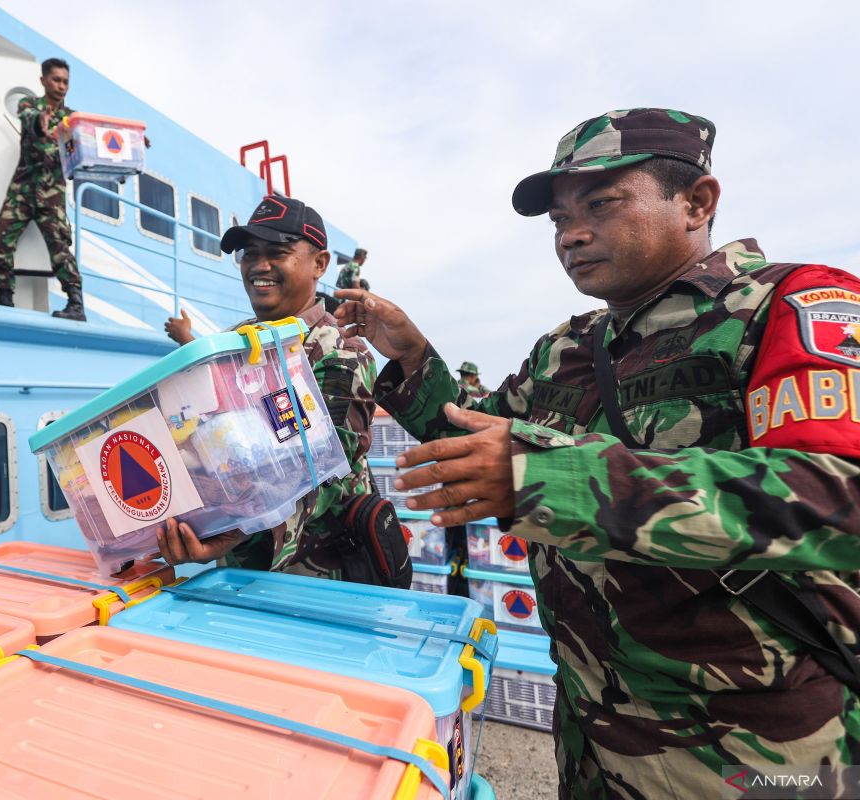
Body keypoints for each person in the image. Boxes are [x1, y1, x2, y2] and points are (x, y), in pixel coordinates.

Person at [335, 108, 860, 797]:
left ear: (696, 202)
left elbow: (838, 496)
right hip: (594, 725)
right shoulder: (567, 347)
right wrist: (409, 354)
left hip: (755, 743)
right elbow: (482, 442)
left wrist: (550, 476)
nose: (572, 234)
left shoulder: (789, 305)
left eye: (602, 205)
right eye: (558, 220)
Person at [159, 196, 377, 579]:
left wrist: (231, 528)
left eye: (278, 252)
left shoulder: (341, 352)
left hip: (324, 580)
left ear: (320, 264)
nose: (259, 266)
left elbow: (329, 472)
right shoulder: (226, 349)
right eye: (249, 253)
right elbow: (195, 441)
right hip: (237, 577)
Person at [0, 58, 84, 320]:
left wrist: (132, 140)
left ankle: (75, 303)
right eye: (56, 80)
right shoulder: (29, 105)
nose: (62, 86)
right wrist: (40, 123)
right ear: (43, 81)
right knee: (0, 243)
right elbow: (29, 118)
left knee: (60, 248)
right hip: (23, 189)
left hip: (52, 194)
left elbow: (93, 138)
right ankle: (4, 299)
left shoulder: (73, 119)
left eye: (65, 82)